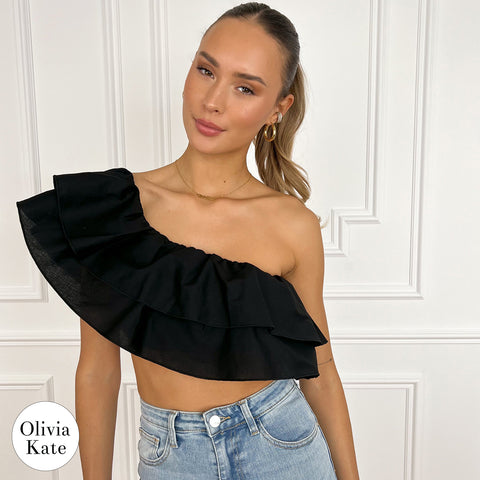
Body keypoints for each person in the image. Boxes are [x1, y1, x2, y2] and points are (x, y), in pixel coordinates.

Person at [16, 2, 360, 479]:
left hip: (282, 447)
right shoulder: (111, 210)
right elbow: (97, 370)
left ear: (277, 110)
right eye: (206, 70)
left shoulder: (292, 225)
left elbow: (320, 369)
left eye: (244, 88)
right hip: (171, 458)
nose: (212, 101)